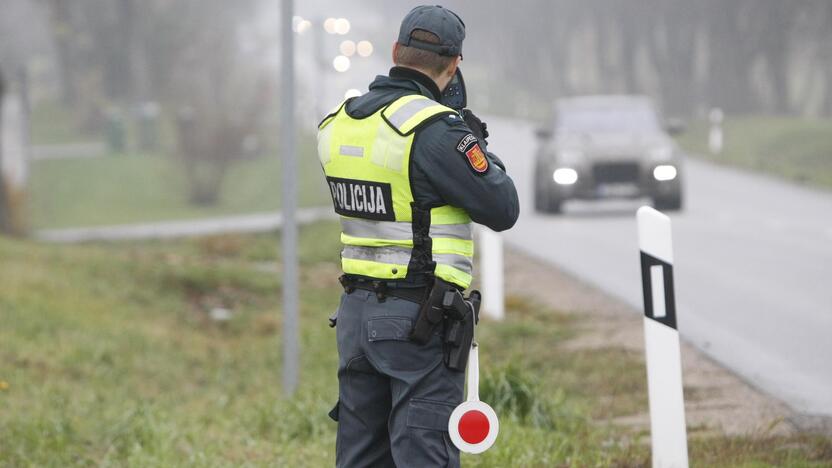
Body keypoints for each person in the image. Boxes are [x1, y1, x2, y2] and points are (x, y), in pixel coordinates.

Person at [317, 5, 519, 467]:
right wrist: (469, 135)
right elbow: (503, 207)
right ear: (454, 64)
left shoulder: (339, 122)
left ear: (395, 52)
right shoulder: (432, 131)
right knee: (424, 455)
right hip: (418, 322)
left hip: (355, 317)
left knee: (362, 457)